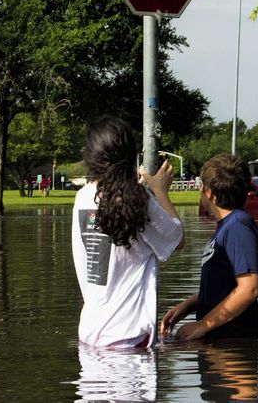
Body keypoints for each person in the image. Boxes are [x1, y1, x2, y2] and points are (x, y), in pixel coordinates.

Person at [72, 117, 183, 348]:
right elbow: (177, 238)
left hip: (91, 334)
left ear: (91, 156)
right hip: (130, 337)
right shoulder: (138, 199)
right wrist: (160, 191)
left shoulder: (82, 198)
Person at [161, 154, 258, 341]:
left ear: (209, 192)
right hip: (217, 342)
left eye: (201, 185)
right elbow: (222, 287)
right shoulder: (227, 226)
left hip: (233, 346)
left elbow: (249, 289)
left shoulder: (238, 225)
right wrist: (188, 305)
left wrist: (203, 325)